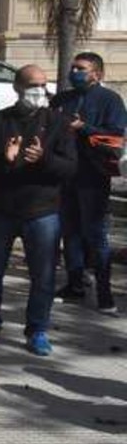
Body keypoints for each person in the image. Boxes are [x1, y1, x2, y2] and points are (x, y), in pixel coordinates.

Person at [0, 65, 76, 356]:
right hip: (0, 210)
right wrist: (3, 158)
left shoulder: (58, 123)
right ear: (17, 87)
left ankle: (37, 329)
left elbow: (69, 168)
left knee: (43, 275)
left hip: (42, 212)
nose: (38, 90)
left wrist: (44, 158)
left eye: (42, 84)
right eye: (31, 85)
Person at [54, 51, 126, 312]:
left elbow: (116, 137)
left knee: (97, 237)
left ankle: (105, 294)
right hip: (65, 175)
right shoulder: (62, 99)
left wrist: (83, 128)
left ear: (97, 74)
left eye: (81, 69)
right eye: (73, 68)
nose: (75, 73)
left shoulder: (110, 100)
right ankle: (75, 285)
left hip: (93, 176)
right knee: (69, 232)